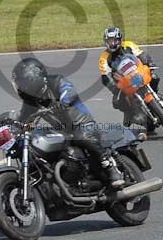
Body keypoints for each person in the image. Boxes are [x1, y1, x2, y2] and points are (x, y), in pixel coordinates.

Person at [11, 57, 125, 188]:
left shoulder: (56, 81)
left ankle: (110, 167)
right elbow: (23, 118)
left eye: (22, 84)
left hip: (82, 124)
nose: (21, 88)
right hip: (63, 131)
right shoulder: (31, 100)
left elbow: (68, 90)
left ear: (33, 79)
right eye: (19, 84)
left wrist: (62, 102)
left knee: (83, 137)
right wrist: (14, 128)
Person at [98, 25, 163, 128]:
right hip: (122, 82)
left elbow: (142, 55)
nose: (113, 43)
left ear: (120, 39)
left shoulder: (129, 45)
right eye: (110, 41)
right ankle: (129, 113)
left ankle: (155, 94)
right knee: (117, 101)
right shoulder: (104, 58)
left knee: (154, 76)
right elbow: (105, 76)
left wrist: (149, 63)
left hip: (137, 72)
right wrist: (114, 87)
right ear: (106, 42)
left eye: (115, 40)